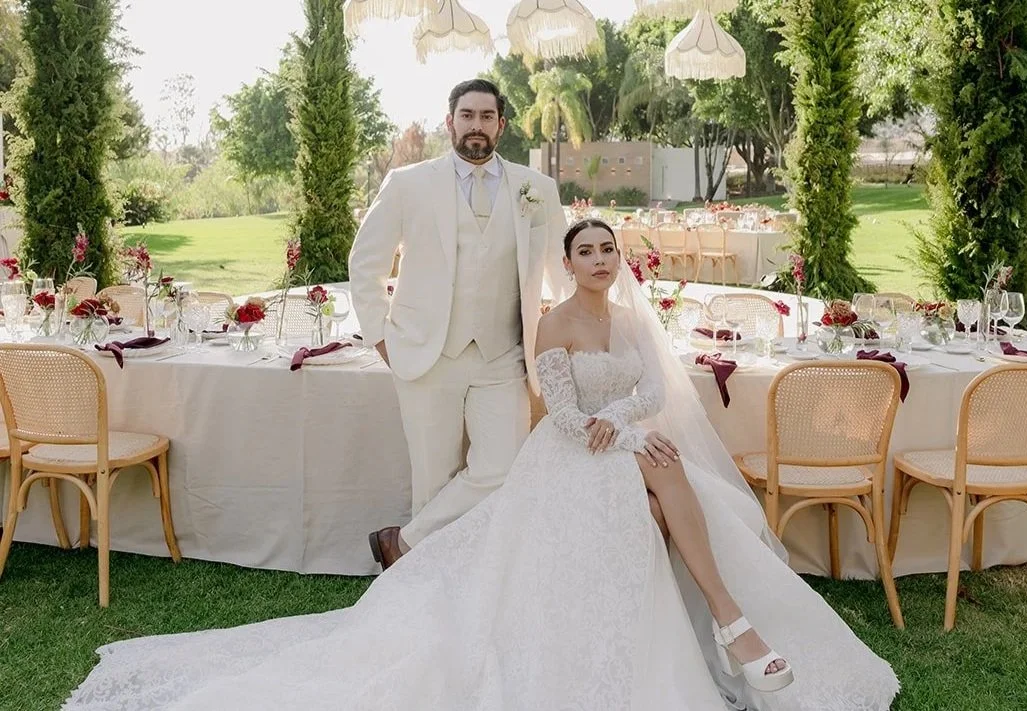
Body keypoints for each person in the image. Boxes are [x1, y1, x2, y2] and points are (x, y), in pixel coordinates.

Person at [65, 220, 899, 711]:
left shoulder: (630, 322)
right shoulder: (554, 324)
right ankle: (729, 621)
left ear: (618, 260)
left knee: (665, 465)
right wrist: (616, 430)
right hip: (568, 454)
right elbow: (560, 412)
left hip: (615, 440)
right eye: (587, 252)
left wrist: (625, 422)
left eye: (608, 250)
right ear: (568, 264)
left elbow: (649, 391)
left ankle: (726, 614)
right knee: (655, 471)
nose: (600, 260)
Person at [348, 78, 567, 569]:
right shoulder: (408, 183)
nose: (476, 125)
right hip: (426, 352)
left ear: (501, 125)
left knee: (503, 467)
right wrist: (381, 338)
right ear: (450, 122)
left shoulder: (537, 189)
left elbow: (561, 269)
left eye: (486, 116)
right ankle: (428, 582)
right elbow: (365, 263)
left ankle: (401, 544)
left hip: (504, 356)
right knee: (433, 478)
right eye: (467, 115)